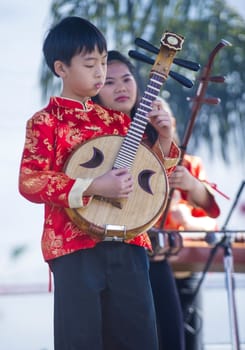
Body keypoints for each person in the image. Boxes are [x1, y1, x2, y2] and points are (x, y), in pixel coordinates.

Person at [18, 17, 180, 350]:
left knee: (140, 338)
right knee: (80, 340)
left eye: (103, 63)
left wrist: (164, 139)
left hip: (131, 243)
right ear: (61, 68)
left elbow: (151, 180)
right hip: (74, 247)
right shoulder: (46, 122)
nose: (100, 72)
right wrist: (92, 185)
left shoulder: (122, 121)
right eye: (90, 64)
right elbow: (30, 181)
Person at [93, 50, 220, 350]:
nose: (122, 87)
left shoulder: (160, 141)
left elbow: (207, 205)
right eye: (110, 82)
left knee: (171, 337)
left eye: (127, 79)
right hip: (109, 256)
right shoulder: (93, 138)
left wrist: (167, 141)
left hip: (160, 255)